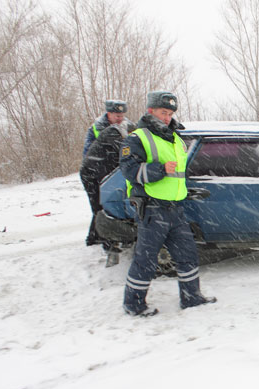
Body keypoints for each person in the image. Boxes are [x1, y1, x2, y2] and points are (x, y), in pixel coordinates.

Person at [119, 91, 216, 316]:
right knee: (146, 260)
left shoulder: (175, 138)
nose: (167, 117)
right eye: (164, 112)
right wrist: (160, 170)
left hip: (176, 209)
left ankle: (191, 298)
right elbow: (129, 170)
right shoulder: (137, 138)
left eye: (170, 113)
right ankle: (133, 304)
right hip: (153, 209)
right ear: (150, 110)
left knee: (188, 255)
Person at [80, 101, 136, 267]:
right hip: (93, 173)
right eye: (116, 116)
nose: (120, 118)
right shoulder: (98, 128)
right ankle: (106, 243)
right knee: (99, 206)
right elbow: (89, 152)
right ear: (108, 114)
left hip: (110, 172)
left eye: (122, 115)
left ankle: (96, 237)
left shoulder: (125, 125)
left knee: (108, 205)